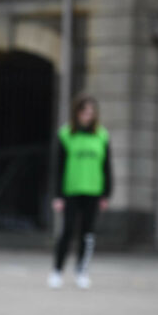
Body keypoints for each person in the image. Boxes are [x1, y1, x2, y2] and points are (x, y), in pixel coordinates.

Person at [48, 93, 112, 290]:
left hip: (93, 191)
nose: (87, 115)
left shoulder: (102, 135)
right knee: (67, 231)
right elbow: (58, 167)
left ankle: (81, 271)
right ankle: (57, 270)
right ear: (77, 113)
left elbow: (107, 166)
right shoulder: (66, 134)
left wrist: (106, 193)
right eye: (84, 111)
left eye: (91, 112)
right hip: (71, 191)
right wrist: (57, 195)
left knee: (88, 234)